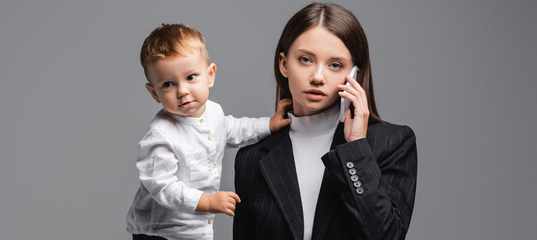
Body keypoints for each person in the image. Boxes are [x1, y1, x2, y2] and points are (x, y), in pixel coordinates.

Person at [233, 3, 417, 240]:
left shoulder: (392, 143)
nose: (318, 77)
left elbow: (387, 236)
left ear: (354, 75)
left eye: (335, 65)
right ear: (284, 64)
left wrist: (356, 149)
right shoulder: (251, 159)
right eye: (306, 59)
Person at [126, 23, 292, 240]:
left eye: (191, 77)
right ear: (154, 93)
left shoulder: (214, 112)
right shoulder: (161, 135)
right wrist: (207, 201)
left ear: (210, 75)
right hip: (161, 231)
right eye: (168, 84)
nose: (182, 91)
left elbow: (233, 128)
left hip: (195, 228)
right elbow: (162, 187)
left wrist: (269, 124)